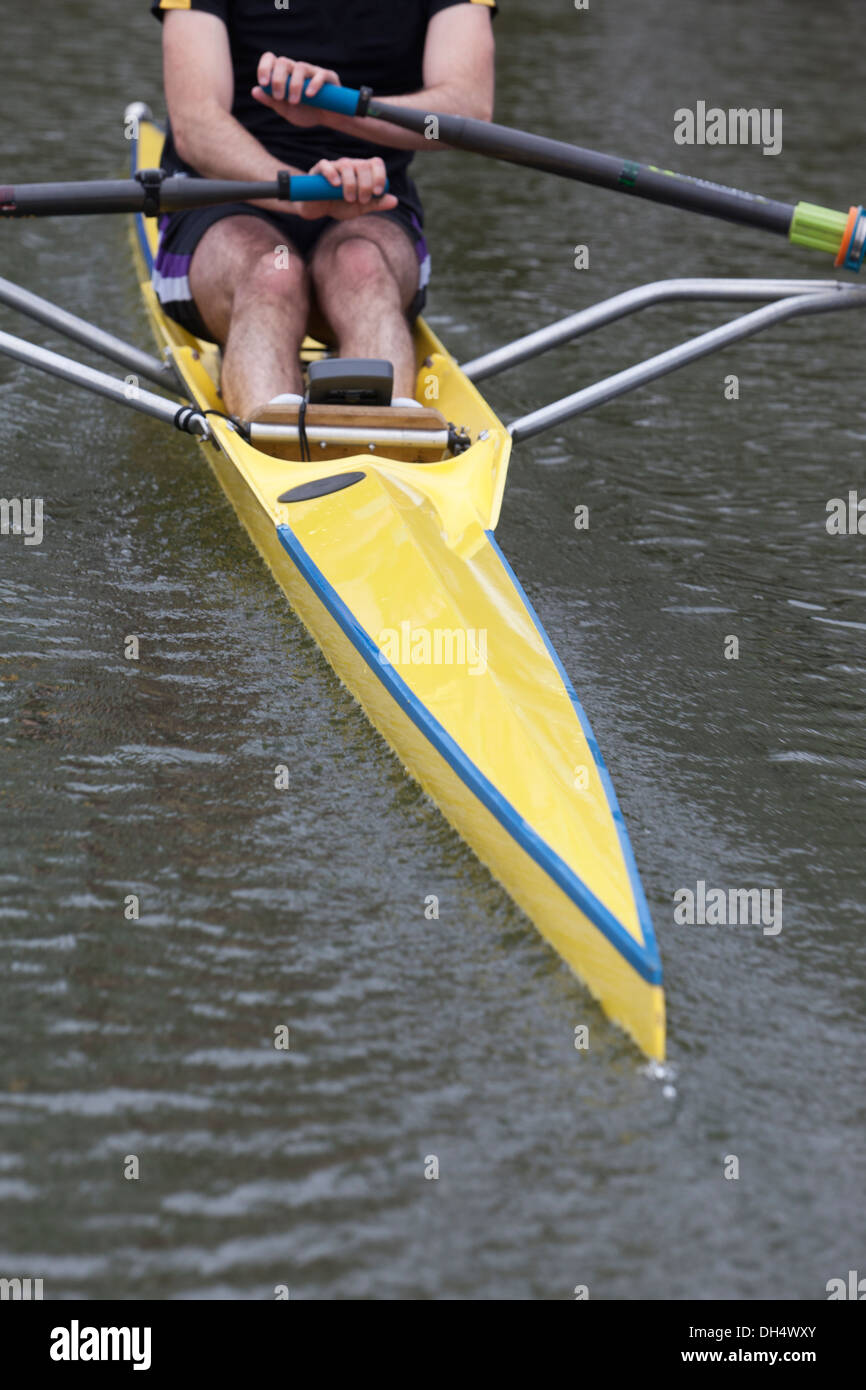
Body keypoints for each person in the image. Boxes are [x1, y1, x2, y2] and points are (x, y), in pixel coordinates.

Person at [150, 1, 497, 417]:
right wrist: (298, 192)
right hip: (225, 199)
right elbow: (197, 124)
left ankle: (380, 450)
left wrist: (340, 110)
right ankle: (277, 451)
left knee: (361, 267)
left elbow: (470, 106)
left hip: (370, 199)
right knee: (274, 276)